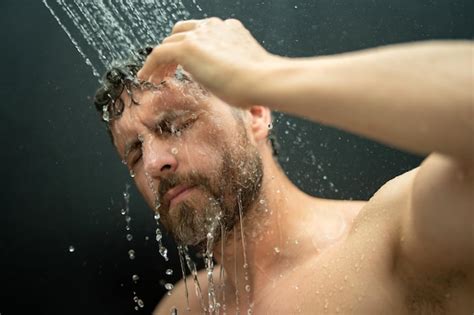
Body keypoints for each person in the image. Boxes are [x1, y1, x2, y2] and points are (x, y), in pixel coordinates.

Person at [94, 18, 473, 314]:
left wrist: (265, 74)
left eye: (174, 124)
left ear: (256, 113)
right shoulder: (182, 307)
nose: (156, 162)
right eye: (135, 154)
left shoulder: (393, 244)